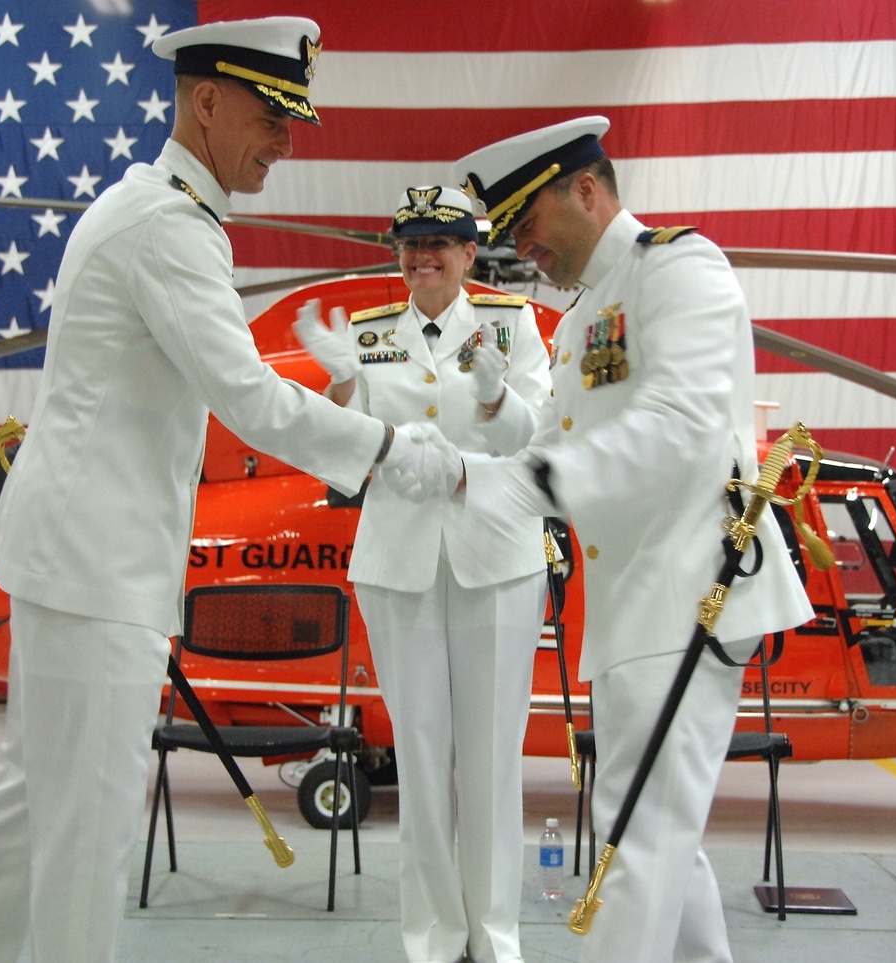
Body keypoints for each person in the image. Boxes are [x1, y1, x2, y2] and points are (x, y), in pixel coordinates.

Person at [0, 18, 456, 963]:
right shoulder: (171, 228)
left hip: (74, 556)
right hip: (100, 567)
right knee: (85, 823)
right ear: (206, 101)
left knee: (26, 807)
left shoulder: (147, 207)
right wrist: (389, 449)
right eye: (270, 116)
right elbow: (249, 398)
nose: (287, 142)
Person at [389, 117, 815, 963]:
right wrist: (474, 447)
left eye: (527, 225)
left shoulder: (678, 268)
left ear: (586, 190)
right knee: (662, 835)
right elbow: (546, 438)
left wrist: (537, 484)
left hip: (692, 593)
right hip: (633, 607)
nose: (523, 249)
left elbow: (683, 426)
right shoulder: (584, 316)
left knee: (635, 836)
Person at [293, 186, 552, 963]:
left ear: (471, 253)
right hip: (400, 560)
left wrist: (494, 392)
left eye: (440, 241)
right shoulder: (370, 335)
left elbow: (536, 440)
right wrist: (341, 387)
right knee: (422, 757)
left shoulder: (514, 325)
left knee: (492, 759)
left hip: (497, 557)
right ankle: (436, 941)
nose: (423, 255)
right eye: (410, 243)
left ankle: (495, 937)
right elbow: (340, 458)